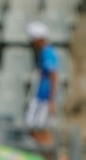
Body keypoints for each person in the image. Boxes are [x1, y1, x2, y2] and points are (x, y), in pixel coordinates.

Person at [25, 21, 58, 149]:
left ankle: (58, 158)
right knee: (33, 129)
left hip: (44, 97)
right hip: (40, 96)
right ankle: (51, 157)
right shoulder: (44, 52)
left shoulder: (47, 53)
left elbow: (53, 76)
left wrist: (51, 101)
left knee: (39, 130)